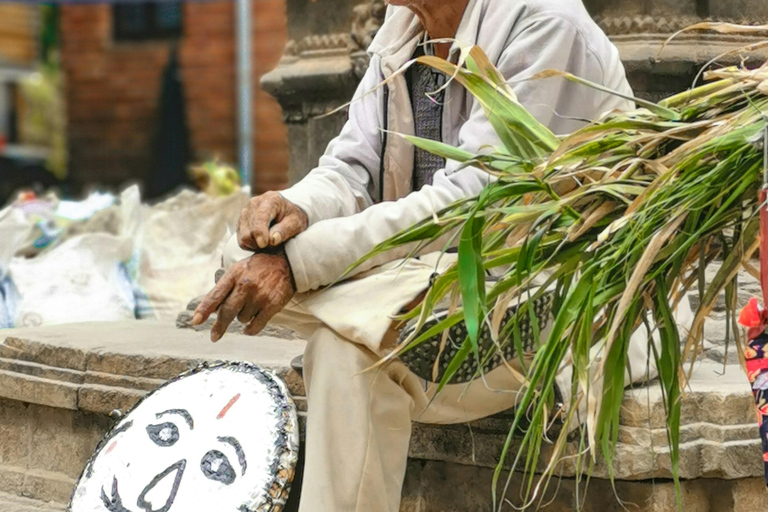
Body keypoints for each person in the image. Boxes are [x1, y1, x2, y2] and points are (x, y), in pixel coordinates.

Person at [192, 0, 692, 510]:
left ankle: (342, 302)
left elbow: (472, 201)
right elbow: (350, 169)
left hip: (558, 298)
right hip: (442, 284)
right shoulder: (404, 30)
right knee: (330, 336)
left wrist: (299, 264)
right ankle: (345, 303)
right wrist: (296, 209)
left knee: (340, 335)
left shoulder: (544, 23)